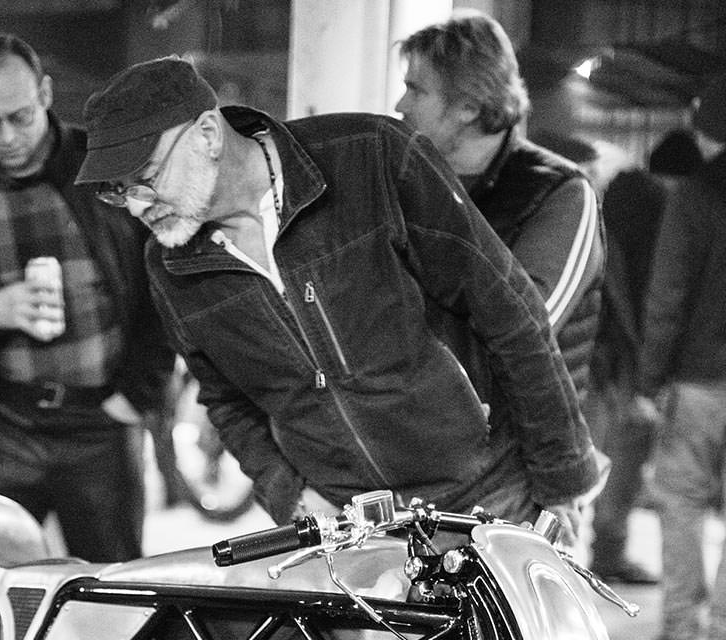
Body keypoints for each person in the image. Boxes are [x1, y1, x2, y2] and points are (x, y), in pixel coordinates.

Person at [73, 57, 599, 537]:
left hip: (488, 491)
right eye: (118, 192)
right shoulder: (169, 262)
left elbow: (508, 311)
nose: (136, 206)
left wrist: (562, 479)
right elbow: (226, 401)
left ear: (208, 134)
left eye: (145, 178)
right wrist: (289, 496)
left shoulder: (372, 156)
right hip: (350, 523)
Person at [0, 31, 174, 563]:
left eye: (20, 117)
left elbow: (164, 291)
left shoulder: (104, 173)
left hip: (100, 425)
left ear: (45, 94)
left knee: (112, 590)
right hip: (5, 428)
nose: (7, 137)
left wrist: (136, 395)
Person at [395, 12, 604, 409]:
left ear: (469, 107)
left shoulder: (560, 193)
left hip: (523, 439)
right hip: (423, 427)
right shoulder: (410, 182)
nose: (400, 104)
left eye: (415, 90)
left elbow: (526, 331)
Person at [635, 77, 726, 640]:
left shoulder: (694, 194)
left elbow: (667, 294)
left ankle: (679, 630)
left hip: (699, 381)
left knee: (682, 502)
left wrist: (649, 380)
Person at [587, 130, 703, 585]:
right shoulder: (656, 210)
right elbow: (653, 295)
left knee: (600, 455)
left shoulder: (617, 200)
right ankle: (608, 552)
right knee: (623, 454)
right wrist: (647, 374)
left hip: (599, 349)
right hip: (623, 355)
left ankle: (603, 550)